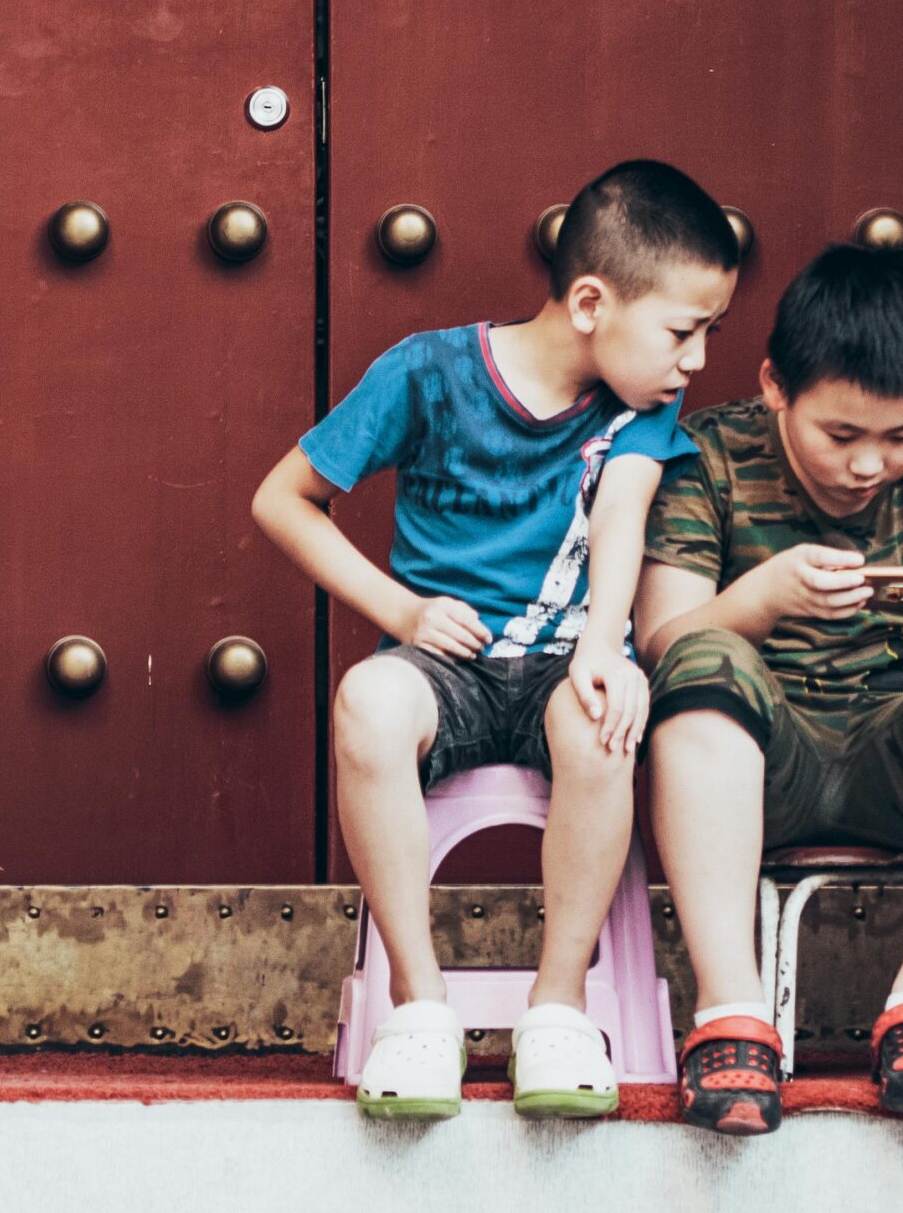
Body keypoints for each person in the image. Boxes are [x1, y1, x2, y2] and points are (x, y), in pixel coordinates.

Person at [252, 160, 739, 1121]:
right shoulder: (428, 373)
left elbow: (623, 512)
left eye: (709, 334)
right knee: (368, 703)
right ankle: (418, 1007)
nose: (697, 362)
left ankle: (557, 1009)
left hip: (563, 662)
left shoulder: (640, 407)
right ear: (591, 301)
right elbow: (283, 500)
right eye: (684, 332)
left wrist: (604, 645)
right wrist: (399, 614)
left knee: (602, 721)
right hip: (449, 670)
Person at [636, 241, 903, 1133]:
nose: (870, 465)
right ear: (774, 387)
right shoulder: (705, 457)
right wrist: (757, 602)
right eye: (842, 436)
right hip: (759, 767)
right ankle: (730, 1013)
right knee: (703, 661)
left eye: (901, 436)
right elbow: (660, 643)